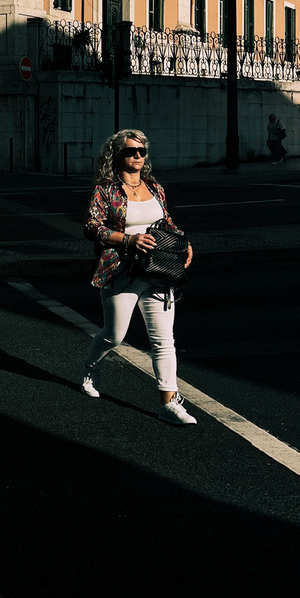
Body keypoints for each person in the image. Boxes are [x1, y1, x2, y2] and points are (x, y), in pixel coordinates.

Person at [82, 129, 196, 425]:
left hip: (158, 270)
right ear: (117, 154)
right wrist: (127, 240)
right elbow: (92, 227)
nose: (137, 156)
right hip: (121, 270)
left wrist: (183, 243)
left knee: (163, 340)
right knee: (114, 334)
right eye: (131, 151)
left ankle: (168, 403)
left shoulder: (154, 187)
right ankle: (90, 366)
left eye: (142, 151)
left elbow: (167, 222)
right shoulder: (106, 189)